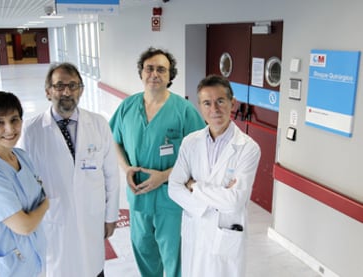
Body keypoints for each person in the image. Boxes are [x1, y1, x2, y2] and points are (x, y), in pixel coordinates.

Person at [109, 47, 206, 277]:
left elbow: (199, 154)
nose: (155, 74)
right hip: (139, 197)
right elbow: (114, 142)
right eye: (149, 68)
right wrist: (126, 169)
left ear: (170, 75)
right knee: (144, 251)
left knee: (174, 257)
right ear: (141, 73)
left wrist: (164, 176)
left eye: (161, 69)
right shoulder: (127, 107)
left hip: (171, 198)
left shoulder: (184, 111)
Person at [18, 62, 120, 277]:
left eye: (73, 85)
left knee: (93, 269)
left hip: (91, 217)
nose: (66, 92)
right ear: (48, 92)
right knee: (60, 269)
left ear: (81, 90)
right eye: (59, 86)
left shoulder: (99, 124)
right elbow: (25, 182)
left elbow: (111, 174)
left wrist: (111, 216)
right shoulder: (31, 130)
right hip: (53, 221)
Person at [168, 74, 261, 277]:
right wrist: (209, 204)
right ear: (200, 107)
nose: (214, 109)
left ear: (232, 103)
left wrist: (194, 187)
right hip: (195, 229)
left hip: (225, 236)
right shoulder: (190, 142)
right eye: (207, 103)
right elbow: (174, 188)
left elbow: (234, 201)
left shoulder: (248, 148)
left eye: (220, 101)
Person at [0, 91, 49, 277]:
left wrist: (38, 209)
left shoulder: (22, 156)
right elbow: (24, 226)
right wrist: (46, 205)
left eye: (14, 119)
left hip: (31, 260)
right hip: (5, 269)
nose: (10, 129)